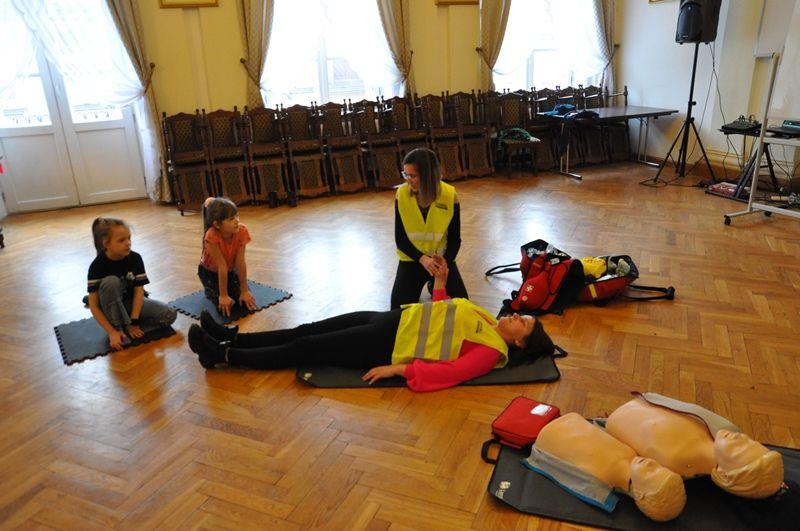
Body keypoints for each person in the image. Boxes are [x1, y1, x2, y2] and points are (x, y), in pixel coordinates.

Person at [187, 258, 555, 392]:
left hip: (386, 345)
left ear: (519, 344)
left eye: (521, 323)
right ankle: (230, 337)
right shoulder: (488, 320)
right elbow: (443, 313)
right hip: (390, 320)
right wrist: (440, 282)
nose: (514, 316)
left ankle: (224, 356)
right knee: (306, 330)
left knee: (305, 348)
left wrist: (397, 370)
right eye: (520, 315)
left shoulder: (490, 353)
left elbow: (449, 373)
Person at [604, 392, 784, 499]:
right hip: (641, 401)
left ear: (724, 475)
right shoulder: (724, 429)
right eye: (750, 442)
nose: (740, 438)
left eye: (739, 450)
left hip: (617, 417)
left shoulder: (673, 460)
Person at [525, 412, 687, 522]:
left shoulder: (601, 481)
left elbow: (568, 478)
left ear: (639, 494)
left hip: (548, 431)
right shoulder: (632, 454)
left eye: (652, 473)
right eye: (660, 467)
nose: (652, 463)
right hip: (572, 419)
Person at [390, 148, 467, 309]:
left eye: (413, 176)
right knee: (398, 311)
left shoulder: (450, 195)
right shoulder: (401, 195)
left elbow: (455, 239)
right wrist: (423, 259)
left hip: (441, 261)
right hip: (412, 260)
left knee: (461, 307)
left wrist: (445, 262)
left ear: (428, 176)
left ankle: (434, 284)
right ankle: (431, 284)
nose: (408, 180)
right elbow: (400, 239)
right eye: (406, 175)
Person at [87, 218, 177, 350]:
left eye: (129, 238)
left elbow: (139, 291)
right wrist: (112, 332)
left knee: (169, 314)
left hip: (130, 302)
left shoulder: (135, 258)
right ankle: (118, 327)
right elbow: (94, 306)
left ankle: (127, 322)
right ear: (106, 243)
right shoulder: (97, 266)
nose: (128, 243)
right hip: (110, 308)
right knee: (111, 282)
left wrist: (134, 322)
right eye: (121, 240)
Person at [198, 197, 257, 317]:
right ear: (217, 224)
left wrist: (244, 291)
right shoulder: (211, 235)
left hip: (230, 270)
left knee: (243, 303)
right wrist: (223, 296)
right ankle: (209, 290)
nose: (237, 221)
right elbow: (222, 266)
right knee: (224, 308)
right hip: (210, 273)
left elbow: (240, 262)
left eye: (237, 216)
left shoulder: (242, 231)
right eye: (231, 219)